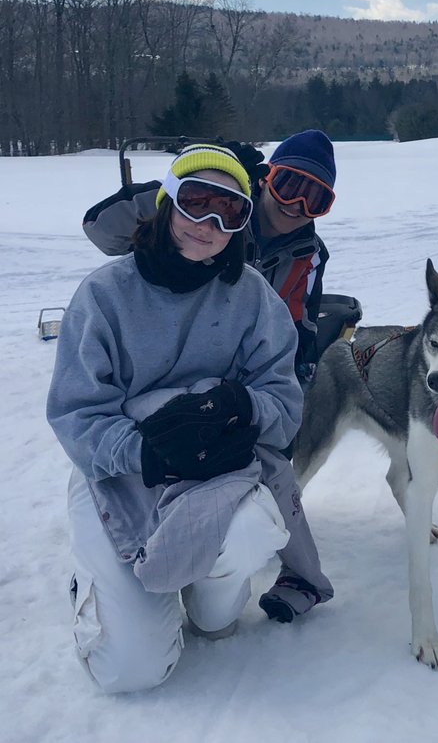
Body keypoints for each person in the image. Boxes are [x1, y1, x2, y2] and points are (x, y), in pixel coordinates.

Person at [47, 144, 334, 694]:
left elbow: (283, 402)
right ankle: (102, 582)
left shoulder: (252, 297)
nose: (209, 224)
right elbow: (76, 413)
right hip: (121, 472)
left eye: (229, 211)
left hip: (217, 470)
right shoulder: (105, 295)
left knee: (221, 612)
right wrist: (145, 451)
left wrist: (243, 406)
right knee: (131, 671)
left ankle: (209, 598)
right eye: (196, 202)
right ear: (167, 203)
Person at [83, 130, 343, 383]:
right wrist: (199, 189)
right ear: (265, 180)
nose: (297, 205)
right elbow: (101, 230)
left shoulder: (309, 255)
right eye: (288, 187)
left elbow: (297, 328)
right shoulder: (216, 223)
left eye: (315, 199)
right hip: (162, 362)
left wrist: (285, 382)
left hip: (237, 377)